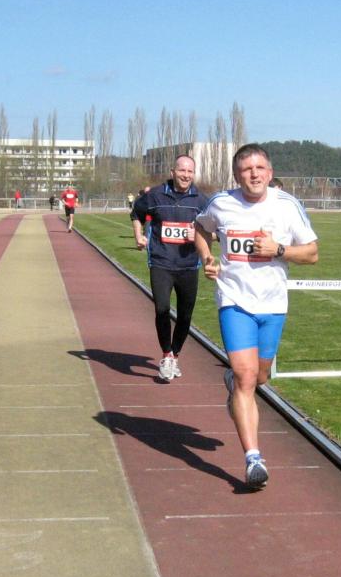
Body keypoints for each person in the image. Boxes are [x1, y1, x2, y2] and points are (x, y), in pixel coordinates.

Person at [195, 144, 318, 489]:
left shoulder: (287, 205)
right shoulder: (221, 203)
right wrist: (207, 258)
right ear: (237, 175)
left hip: (273, 303)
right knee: (246, 376)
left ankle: (235, 385)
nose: (254, 174)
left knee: (260, 376)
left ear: (270, 172)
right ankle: (253, 459)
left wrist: (279, 249)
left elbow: (311, 253)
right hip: (234, 300)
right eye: (247, 169)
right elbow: (201, 229)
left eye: (260, 168)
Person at [130, 155, 207, 382]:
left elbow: (214, 230)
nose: (186, 175)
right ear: (172, 172)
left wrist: (199, 235)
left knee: (185, 315)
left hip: (189, 265)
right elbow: (136, 213)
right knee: (162, 309)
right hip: (161, 262)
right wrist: (138, 235)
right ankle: (166, 356)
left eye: (190, 171)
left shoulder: (202, 200)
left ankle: (175, 355)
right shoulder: (155, 195)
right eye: (182, 170)